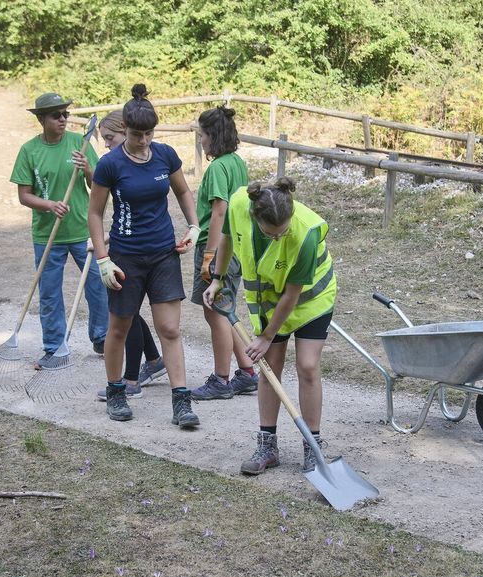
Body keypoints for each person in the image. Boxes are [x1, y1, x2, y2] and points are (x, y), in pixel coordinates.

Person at [204, 178, 337, 476]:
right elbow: (226, 239)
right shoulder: (240, 204)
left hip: (310, 300)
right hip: (268, 300)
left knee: (307, 365)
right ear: (255, 217)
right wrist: (217, 279)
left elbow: (292, 294)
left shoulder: (306, 233)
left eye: (283, 232)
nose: (278, 238)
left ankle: (312, 446)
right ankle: (268, 445)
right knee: (269, 368)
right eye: (270, 234)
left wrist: (266, 336)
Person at [89, 84, 200, 428]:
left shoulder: (165, 155)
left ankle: (181, 402)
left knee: (169, 328)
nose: (144, 140)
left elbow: (182, 191)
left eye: (149, 133)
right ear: (125, 131)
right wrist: (104, 259)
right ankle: (116, 391)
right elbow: (95, 214)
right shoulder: (110, 164)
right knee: (119, 329)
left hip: (164, 254)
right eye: (137, 134)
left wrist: (194, 227)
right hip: (126, 257)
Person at [9, 92, 110, 369]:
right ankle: (54, 347)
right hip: (47, 234)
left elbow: (99, 186)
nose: (63, 119)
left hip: (82, 230)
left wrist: (88, 168)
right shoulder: (29, 151)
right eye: (56, 115)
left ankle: (102, 337)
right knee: (50, 293)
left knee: (98, 285)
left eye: (65, 114)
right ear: (41, 119)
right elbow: (24, 195)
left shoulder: (81, 143)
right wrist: (48, 205)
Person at [93, 110, 166, 400]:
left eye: (109, 138)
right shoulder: (112, 163)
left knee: (128, 317)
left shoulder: (155, 158)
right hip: (125, 247)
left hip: (151, 253)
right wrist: (106, 242)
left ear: (125, 131)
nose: (107, 144)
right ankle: (152, 361)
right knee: (127, 315)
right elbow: (113, 205)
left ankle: (132, 379)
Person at [188, 106, 258, 401]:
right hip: (237, 246)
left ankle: (221, 379)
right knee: (224, 308)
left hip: (218, 248)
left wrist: (210, 255)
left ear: (212, 136)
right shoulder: (236, 162)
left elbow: (220, 211)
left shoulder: (217, 168)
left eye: (201, 135)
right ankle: (246, 372)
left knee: (215, 310)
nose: (200, 140)